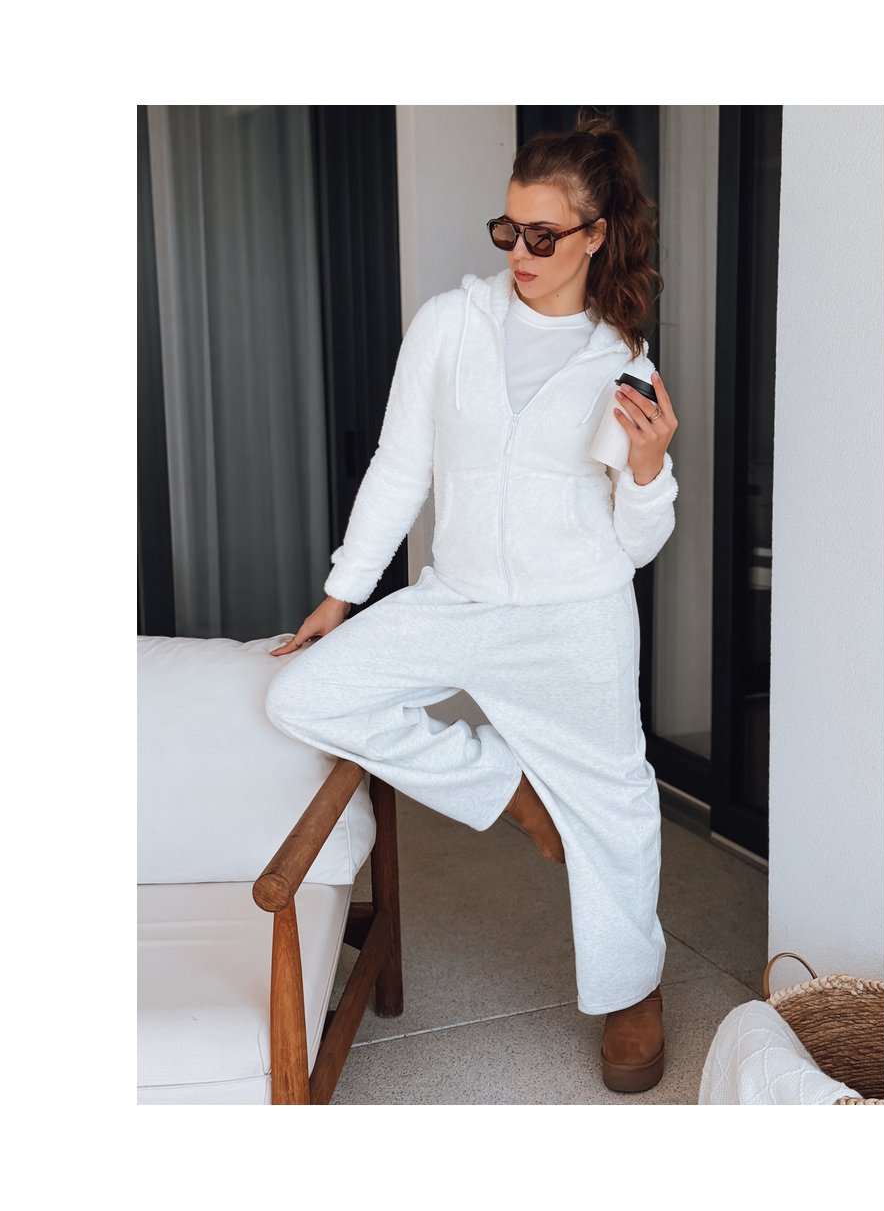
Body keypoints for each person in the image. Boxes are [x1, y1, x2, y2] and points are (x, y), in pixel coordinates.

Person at [264, 109, 680, 1095]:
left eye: (543, 235)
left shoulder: (620, 358)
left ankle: (631, 991)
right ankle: (511, 792)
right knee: (302, 695)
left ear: (596, 235)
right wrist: (342, 592)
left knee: (617, 805)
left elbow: (634, 542)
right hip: (457, 598)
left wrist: (650, 470)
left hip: (575, 614)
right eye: (508, 229)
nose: (520, 254)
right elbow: (399, 464)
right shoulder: (449, 324)